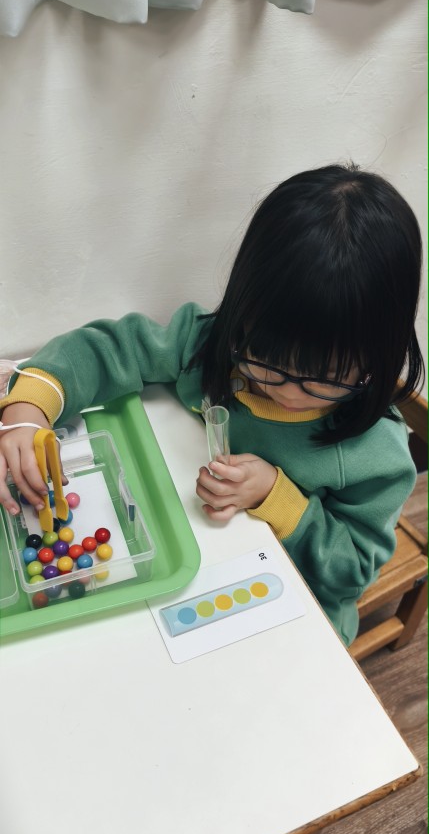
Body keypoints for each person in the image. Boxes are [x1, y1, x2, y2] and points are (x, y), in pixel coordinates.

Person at [0, 163, 424, 645]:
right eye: (268, 362)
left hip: (291, 614)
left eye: (323, 380)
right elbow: (112, 348)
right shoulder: (213, 347)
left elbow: (351, 574)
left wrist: (276, 498)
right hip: (186, 566)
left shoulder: (376, 453)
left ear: (378, 358)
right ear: (244, 311)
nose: (287, 392)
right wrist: (28, 409)